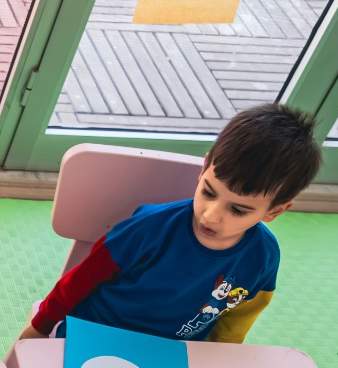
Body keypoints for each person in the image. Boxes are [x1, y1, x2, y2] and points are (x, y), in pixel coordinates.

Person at [20, 103, 322, 342]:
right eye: (208, 192)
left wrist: (221, 359)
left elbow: (239, 317)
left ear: (275, 211)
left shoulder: (264, 256)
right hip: (96, 336)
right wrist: (39, 326)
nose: (210, 215)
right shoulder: (147, 228)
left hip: (176, 357)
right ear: (204, 167)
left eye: (239, 210)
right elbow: (79, 281)